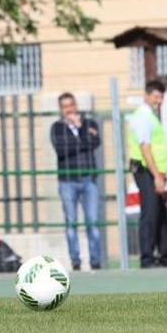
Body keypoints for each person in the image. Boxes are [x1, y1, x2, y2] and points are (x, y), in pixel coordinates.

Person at [49, 92, 102, 271]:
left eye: (71, 105)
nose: (69, 110)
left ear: (76, 105)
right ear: (61, 110)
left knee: (92, 222)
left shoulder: (89, 123)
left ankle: (95, 261)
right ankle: (76, 261)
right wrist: (82, 139)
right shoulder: (57, 127)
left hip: (88, 180)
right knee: (71, 222)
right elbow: (62, 149)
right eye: (65, 107)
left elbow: (95, 143)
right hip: (67, 181)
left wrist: (79, 129)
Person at [127, 80, 167, 269]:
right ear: (146, 95)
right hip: (147, 171)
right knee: (149, 213)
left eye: (161, 97)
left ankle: (165, 255)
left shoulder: (152, 116)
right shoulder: (142, 116)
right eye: (156, 96)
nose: (159, 100)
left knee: (160, 213)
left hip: (157, 172)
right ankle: (146, 258)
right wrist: (156, 175)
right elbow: (145, 148)